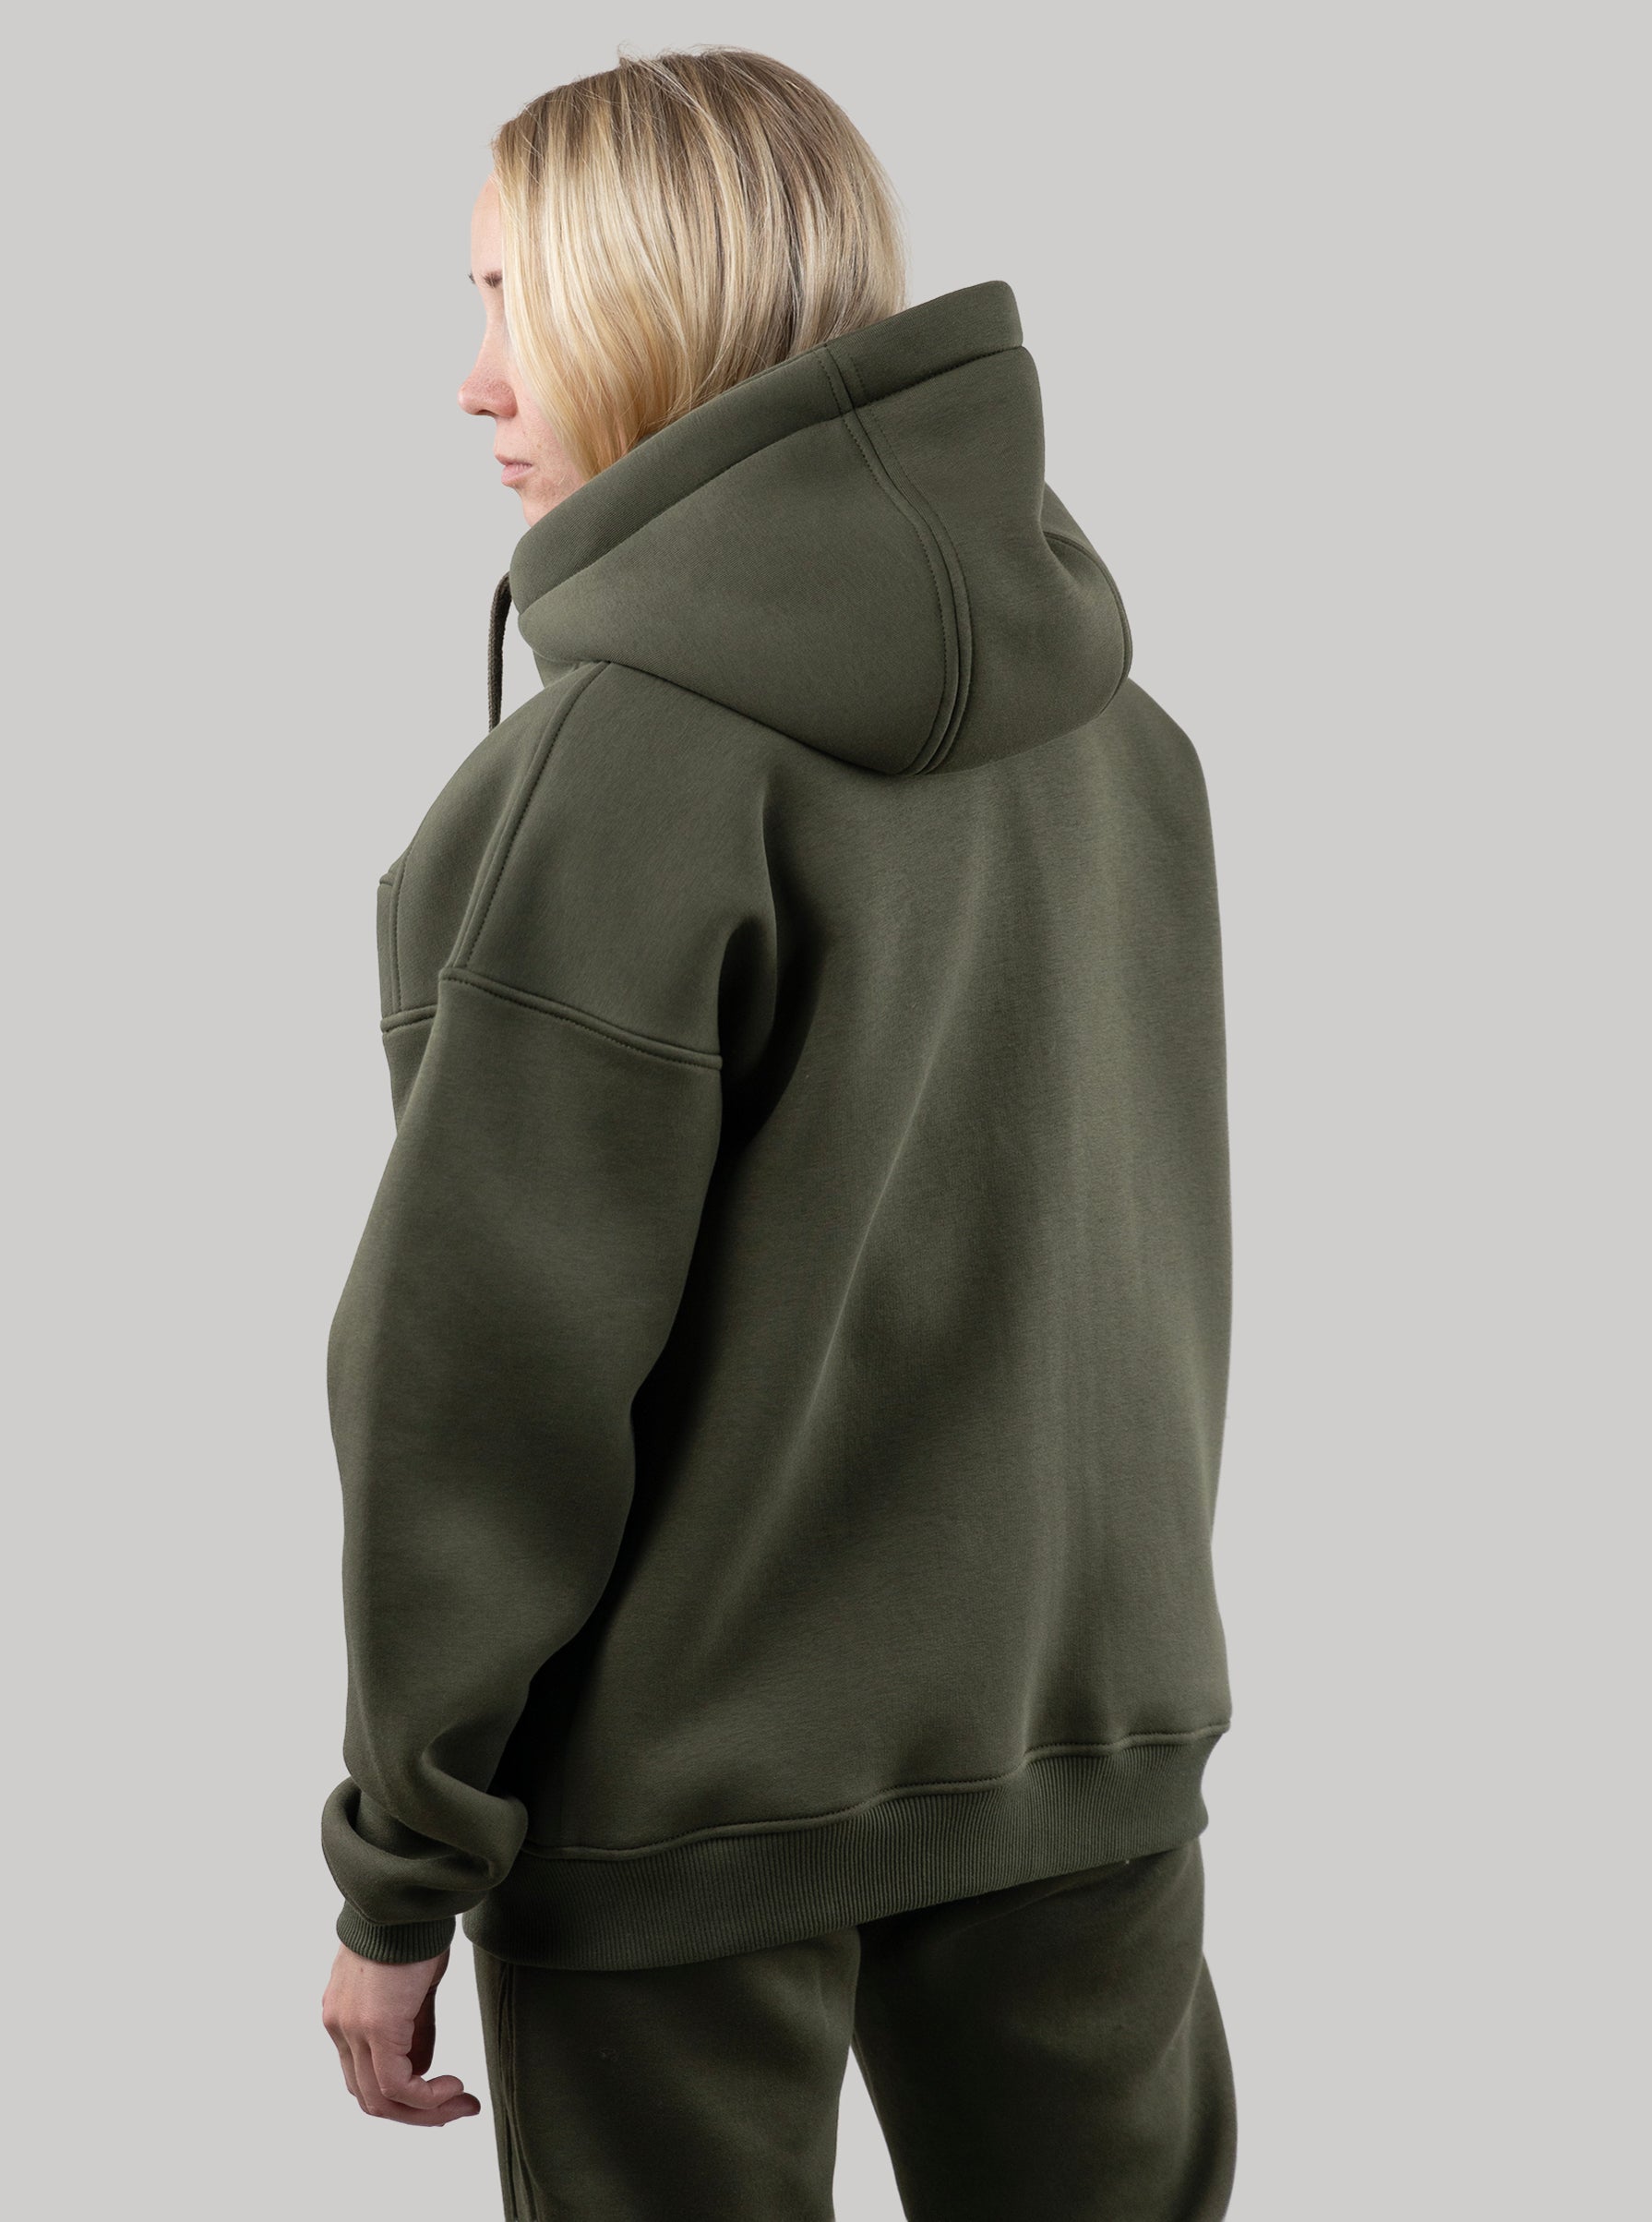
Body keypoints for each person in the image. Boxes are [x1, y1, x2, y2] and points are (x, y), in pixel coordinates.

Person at [318, 45, 1236, 2222]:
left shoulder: (613, 777)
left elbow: (478, 1375)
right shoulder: (1123, 738)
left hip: (680, 1811)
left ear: (646, 305)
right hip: (1084, 1748)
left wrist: (398, 1865)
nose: (475, 378)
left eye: (511, 297)